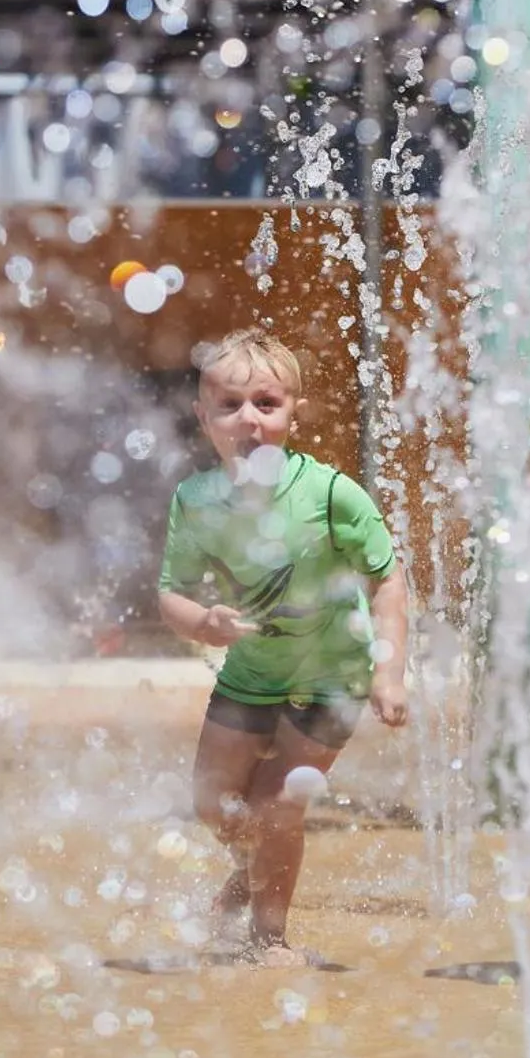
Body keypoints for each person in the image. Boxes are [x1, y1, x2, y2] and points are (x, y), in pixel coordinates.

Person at [157, 329, 409, 965]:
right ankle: (252, 867)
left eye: (266, 404)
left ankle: (270, 938)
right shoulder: (196, 502)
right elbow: (172, 594)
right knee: (212, 803)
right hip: (252, 670)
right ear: (203, 417)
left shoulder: (329, 494)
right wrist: (202, 623)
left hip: (335, 673)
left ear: (295, 411)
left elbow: (388, 577)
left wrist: (388, 672)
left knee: (276, 807)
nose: (249, 420)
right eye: (230, 405)